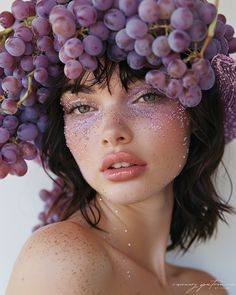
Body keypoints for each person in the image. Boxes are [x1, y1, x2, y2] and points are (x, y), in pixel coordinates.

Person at [1, 0, 236, 294]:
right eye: (82, 107)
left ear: (194, 114)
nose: (112, 133)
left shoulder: (206, 289)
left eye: (148, 97)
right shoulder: (63, 259)